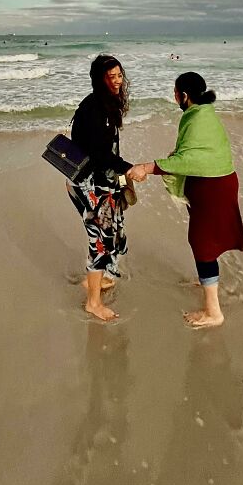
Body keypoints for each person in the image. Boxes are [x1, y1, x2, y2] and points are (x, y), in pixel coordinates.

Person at [129, 72, 243, 328]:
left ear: (183, 95)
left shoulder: (198, 118)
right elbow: (195, 152)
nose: (174, 97)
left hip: (213, 185)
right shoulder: (202, 114)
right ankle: (208, 281)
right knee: (205, 240)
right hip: (213, 183)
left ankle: (213, 312)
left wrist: (148, 167)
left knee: (202, 243)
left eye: (175, 92)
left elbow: (192, 160)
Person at [68, 54, 137, 322]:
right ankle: (92, 302)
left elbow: (107, 151)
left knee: (111, 231)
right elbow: (100, 155)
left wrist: (120, 173)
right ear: (100, 79)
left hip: (102, 181)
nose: (118, 81)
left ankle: (101, 279)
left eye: (120, 75)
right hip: (90, 183)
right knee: (98, 240)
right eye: (112, 77)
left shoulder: (107, 103)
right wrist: (130, 168)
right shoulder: (94, 109)